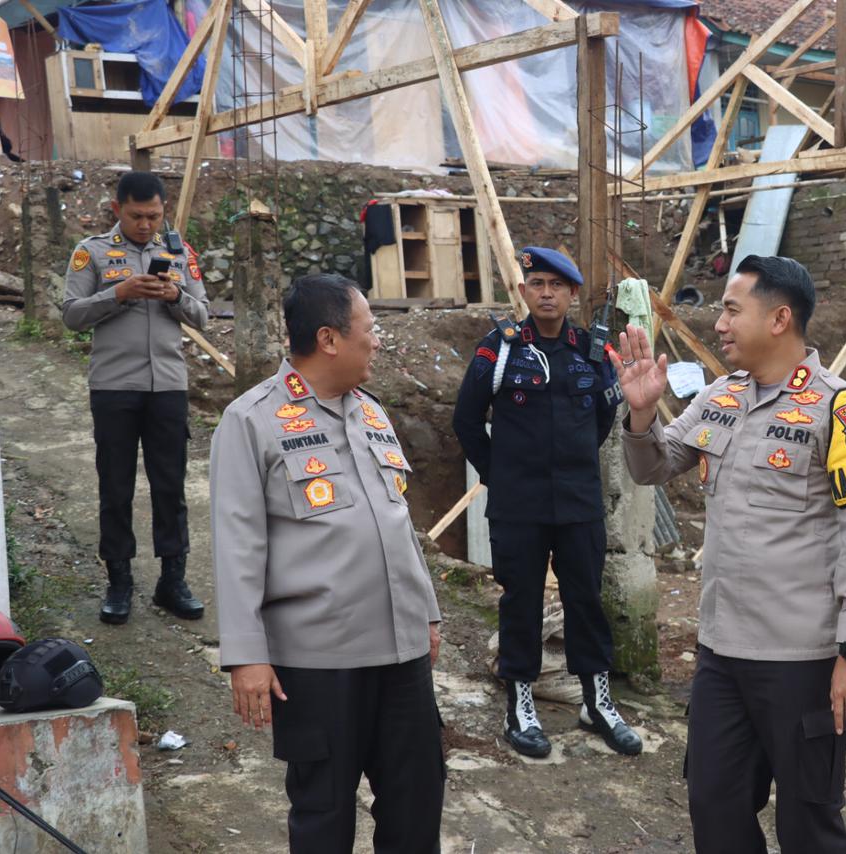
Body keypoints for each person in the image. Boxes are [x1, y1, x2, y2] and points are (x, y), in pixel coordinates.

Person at [613, 255, 846, 853]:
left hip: (802, 659)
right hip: (721, 653)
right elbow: (653, 468)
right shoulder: (722, 396)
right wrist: (642, 414)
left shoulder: (842, 408)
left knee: (809, 820)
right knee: (713, 807)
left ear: (779, 318)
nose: (719, 323)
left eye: (732, 309)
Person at [210, 274, 444, 853]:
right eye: (370, 329)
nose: (379, 341)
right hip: (318, 663)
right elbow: (237, 543)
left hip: (401, 653)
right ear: (329, 339)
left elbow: (397, 522)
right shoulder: (252, 420)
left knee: (417, 801)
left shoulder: (370, 410)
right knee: (323, 811)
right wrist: (247, 656)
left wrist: (427, 612)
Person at [452, 246, 641, 759]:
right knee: (522, 603)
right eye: (537, 284)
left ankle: (597, 703)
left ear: (573, 294)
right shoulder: (501, 348)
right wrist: (501, 476)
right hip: (519, 507)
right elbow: (466, 419)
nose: (547, 293)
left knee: (586, 601)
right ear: (523, 292)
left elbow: (602, 418)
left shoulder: (592, 350)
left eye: (557, 285)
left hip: (579, 504)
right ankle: (521, 703)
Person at [61, 171, 208, 625]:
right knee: (115, 487)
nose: (146, 225)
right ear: (117, 209)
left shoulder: (180, 253)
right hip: (113, 388)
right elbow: (71, 315)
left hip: (166, 387)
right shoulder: (92, 253)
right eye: (136, 215)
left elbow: (202, 314)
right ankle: (119, 582)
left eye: (154, 216)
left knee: (170, 488)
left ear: (164, 210)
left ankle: (172, 581)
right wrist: (118, 293)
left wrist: (174, 295)